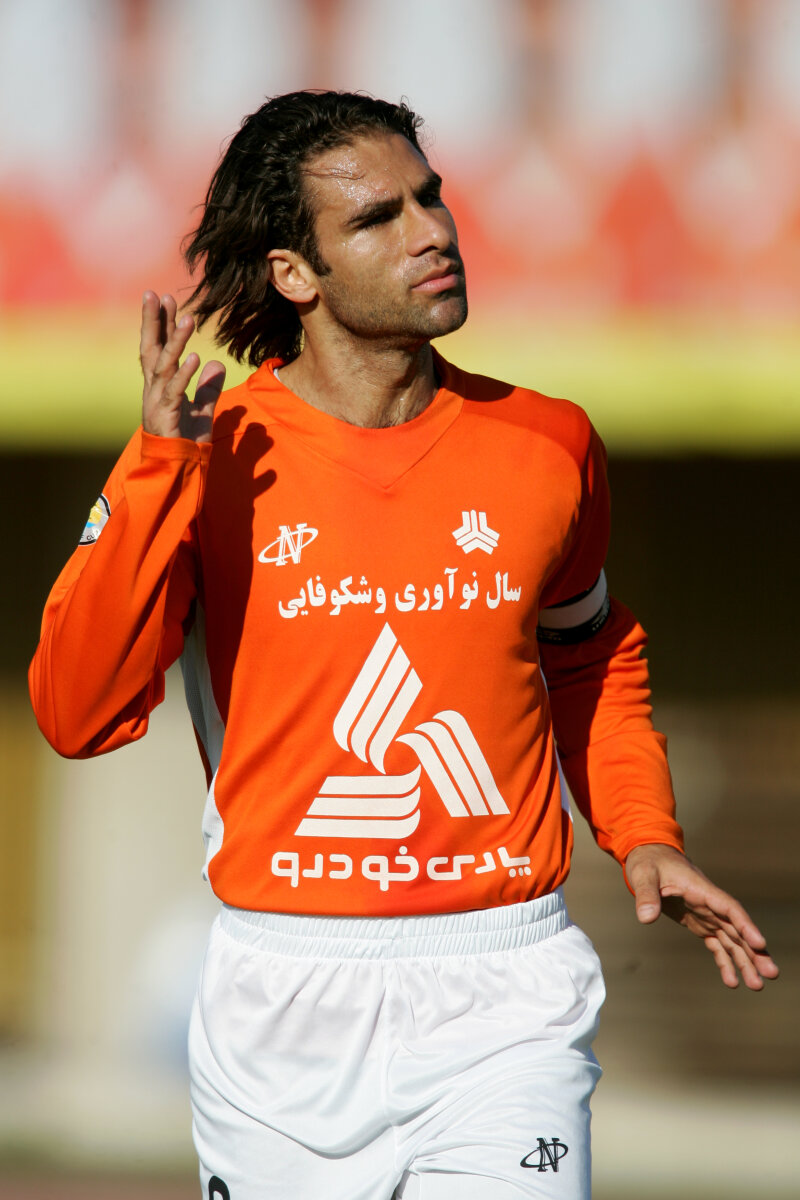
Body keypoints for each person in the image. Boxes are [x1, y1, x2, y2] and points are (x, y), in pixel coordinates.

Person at [29, 91, 777, 1200]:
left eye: (431, 197)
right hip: (283, 995)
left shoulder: (548, 444)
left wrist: (640, 830)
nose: (433, 231)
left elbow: (587, 658)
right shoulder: (209, 455)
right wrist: (156, 470)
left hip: (503, 990)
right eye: (379, 218)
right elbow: (76, 712)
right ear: (295, 273)